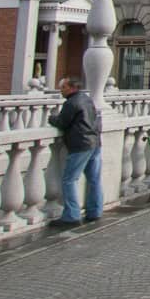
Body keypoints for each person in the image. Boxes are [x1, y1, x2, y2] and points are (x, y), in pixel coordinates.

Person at [47, 77, 102, 227]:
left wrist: (51, 118)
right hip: (95, 143)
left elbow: (62, 122)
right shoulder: (86, 99)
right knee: (94, 179)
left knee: (69, 179)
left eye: (63, 87)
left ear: (72, 88)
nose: (61, 90)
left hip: (81, 145)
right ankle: (95, 211)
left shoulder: (71, 103)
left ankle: (72, 215)